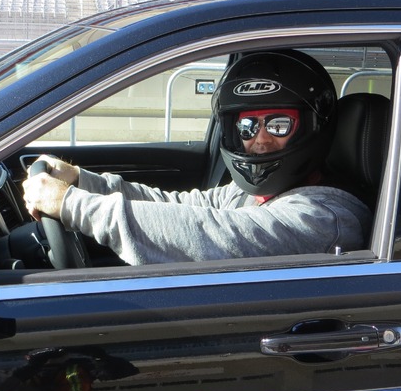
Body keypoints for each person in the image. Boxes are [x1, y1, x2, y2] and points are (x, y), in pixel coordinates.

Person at [22, 50, 373, 266]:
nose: (260, 140)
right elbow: (179, 205)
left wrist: (71, 205)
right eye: (248, 126)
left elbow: (204, 234)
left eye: (280, 125)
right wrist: (83, 180)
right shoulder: (254, 194)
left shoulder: (326, 217)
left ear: (312, 127)